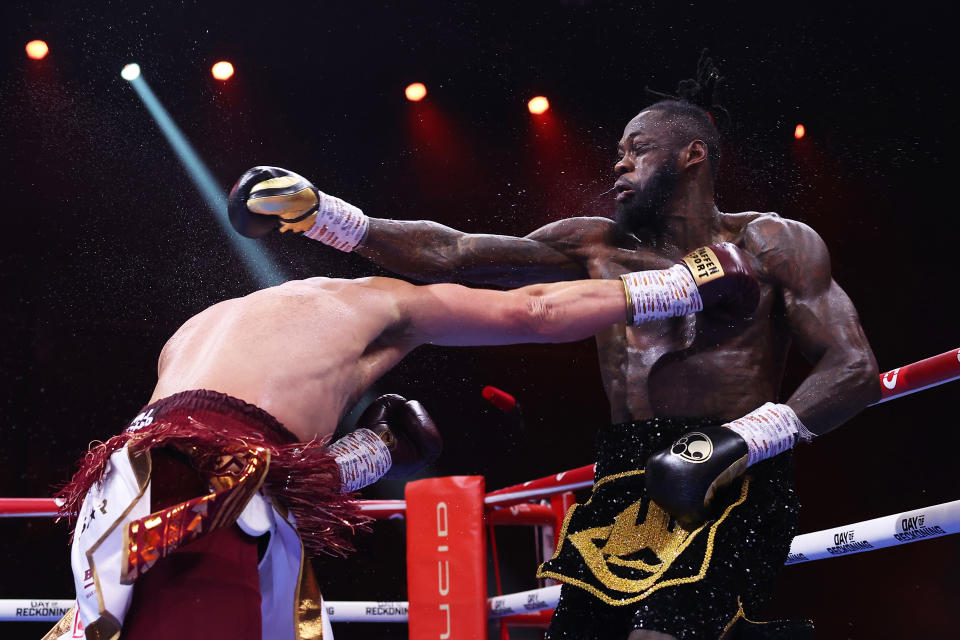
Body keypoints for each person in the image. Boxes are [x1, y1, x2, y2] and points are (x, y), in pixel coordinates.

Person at [237, 67, 880, 638]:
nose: (619, 165)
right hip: (624, 475)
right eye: (618, 153)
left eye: (638, 151)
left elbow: (853, 368)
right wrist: (327, 216)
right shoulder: (594, 245)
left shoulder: (776, 243)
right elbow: (454, 253)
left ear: (693, 155)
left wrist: (743, 440)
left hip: (733, 469)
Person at [45, 204, 758, 640]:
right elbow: (533, 310)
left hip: (125, 504)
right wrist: (684, 282)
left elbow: (254, 466)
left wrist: (375, 451)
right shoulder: (374, 301)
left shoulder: (210, 327)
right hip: (198, 504)